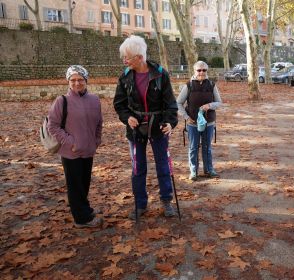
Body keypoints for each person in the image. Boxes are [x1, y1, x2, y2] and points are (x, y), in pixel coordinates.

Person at [113, 35, 178, 218]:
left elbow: (170, 103)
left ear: (139, 57)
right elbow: (119, 104)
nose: (125, 61)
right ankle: (140, 204)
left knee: (163, 165)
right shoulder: (125, 77)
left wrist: (170, 122)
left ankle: (166, 201)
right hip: (135, 131)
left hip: (158, 127)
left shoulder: (160, 74)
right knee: (138, 168)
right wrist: (127, 118)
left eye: (128, 57)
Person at [48, 65, 103, 228]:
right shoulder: (61, 101)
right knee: (75, 185)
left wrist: (96, 140)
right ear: (68, 81)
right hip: (70, 152)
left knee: (84, 182)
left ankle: (84, 209)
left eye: (80, 80)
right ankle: (81, 219)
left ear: (86, 80)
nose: (77, 83)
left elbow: (99, 122)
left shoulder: (94, 100)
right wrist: (71, 143)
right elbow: (53, 126)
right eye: (73, 80)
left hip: (88, 150)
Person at [177, 61, 223, 181]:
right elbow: (178, 103)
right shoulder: (189, 85)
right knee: (193, 147)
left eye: (204, 70)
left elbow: (219, 103)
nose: (201, 72)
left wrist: (210, 105)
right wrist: (186, 117)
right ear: (194, 71)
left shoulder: (212, 85)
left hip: (209, 123)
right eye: (199, 70)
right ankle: (193, 171)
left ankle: (209, 170)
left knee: (207, 147)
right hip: (192, 123)